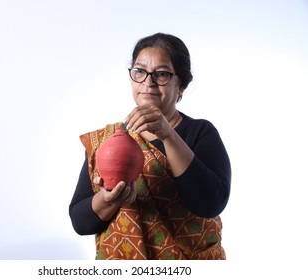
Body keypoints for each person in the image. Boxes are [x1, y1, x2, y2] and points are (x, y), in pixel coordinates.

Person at [69, 33, 231, 260]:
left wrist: (167, 134)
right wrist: (109, 200)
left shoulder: (200, 133)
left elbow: (210, 204)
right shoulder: (107, 141)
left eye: (162, 74)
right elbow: (80, 222)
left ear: (181, 84)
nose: (148, 82)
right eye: (139, 71)